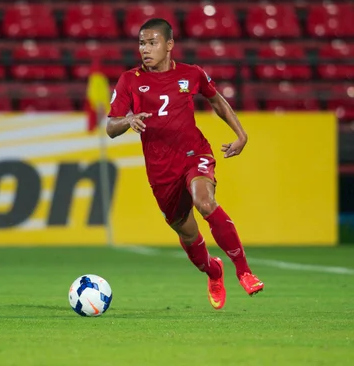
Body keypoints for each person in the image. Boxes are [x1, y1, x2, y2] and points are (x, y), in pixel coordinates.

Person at [106, 18, 263, 310]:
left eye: (152, 42)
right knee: (187, 233)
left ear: (169, 45)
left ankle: (244, 271)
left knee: (205, 202)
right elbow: (110, 127)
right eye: (142, 43)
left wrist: (241, 135)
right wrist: (127, 120)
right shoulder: (130, 80)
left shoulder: (192, 74)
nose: (145, 49)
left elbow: (217, 101)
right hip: (160, 170)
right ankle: (213, 271)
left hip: (194, 154)